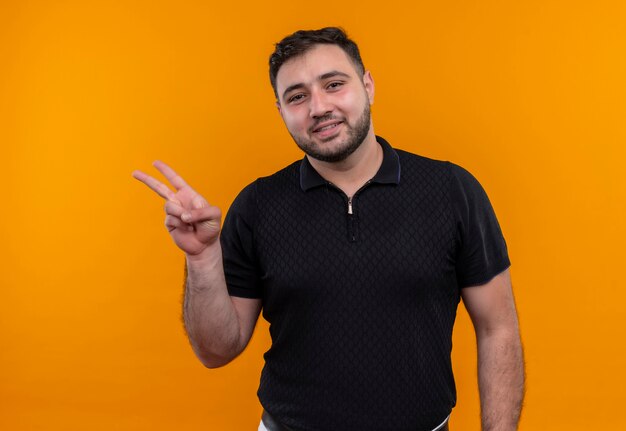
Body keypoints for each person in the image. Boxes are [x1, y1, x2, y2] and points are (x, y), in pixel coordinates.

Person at [133, 27, 524, 431]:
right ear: (281, 111)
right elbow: (216, 350)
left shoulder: (451, 190)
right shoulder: (256, 205)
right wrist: (200, 258)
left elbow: (498, 329)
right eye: (297, 97)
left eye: (334, 85)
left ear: (368, 86)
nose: (318, 107)